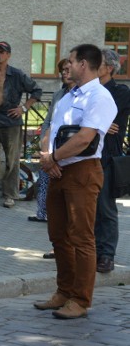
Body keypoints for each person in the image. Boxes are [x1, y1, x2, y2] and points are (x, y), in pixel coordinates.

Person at [35, 44, 117, 319]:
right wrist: (50, 157)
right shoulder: (69, 95)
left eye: (71, 61)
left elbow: (85, 138)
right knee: (58, 235)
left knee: (82, 237)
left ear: (84, 64)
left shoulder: (99, 97)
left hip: (82, 171)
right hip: (59, 170)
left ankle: (81, 300)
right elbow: (52, 129)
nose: (67, 65)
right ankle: (64, 291)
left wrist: (53, 158)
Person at [0, 41, 42, 208]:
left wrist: (23, 107)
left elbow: (37, 91)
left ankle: (10, 194)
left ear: (8, 55)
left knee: (12, 160)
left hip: (11, 121)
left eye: (1, 51)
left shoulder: (16, 74)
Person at [95, 49, 130, 273]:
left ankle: (107, 254)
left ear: (109, 68)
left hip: (107, 156)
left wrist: (96, 122)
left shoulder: (120, 91)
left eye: (96, 63)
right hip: (85, 155)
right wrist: (98, 124)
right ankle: (89, 251)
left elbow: (113, 123)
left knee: (105, 207)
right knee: (84, 209)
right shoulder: (86, 90)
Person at [32, 59, 72, 225]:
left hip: (69, 152)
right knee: (45, 179)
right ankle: (43, 213)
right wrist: (45, 147)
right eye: (62, 70)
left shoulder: (84, 97)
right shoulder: (58, 95)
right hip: (50, 148)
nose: (64, 73)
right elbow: (48, 121)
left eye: (68, 69)